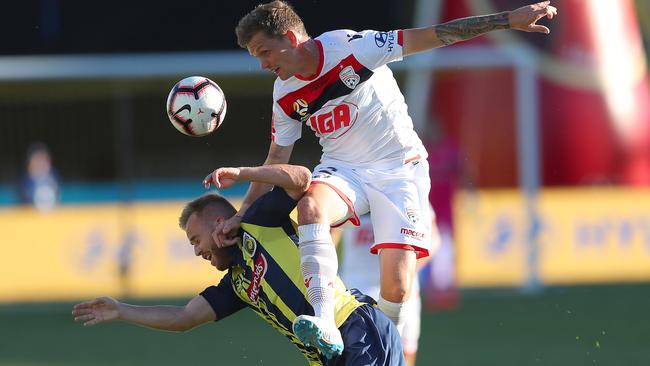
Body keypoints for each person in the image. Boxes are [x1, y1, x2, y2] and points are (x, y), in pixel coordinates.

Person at [206, 0, 558, 358]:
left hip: (398, 168)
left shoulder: (353, 48)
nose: (264, 64)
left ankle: (385, 356)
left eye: (265, 52)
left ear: (291, 38)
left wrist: (507, 20)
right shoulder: (285, 95)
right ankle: (324, 319)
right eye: (257, 57)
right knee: (311, 205)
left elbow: (436, 35)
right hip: (344, 168)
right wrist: (241, 214)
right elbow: (276, 159)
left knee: (398, 287)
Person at [73, 164, 405, 365]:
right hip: (327, 358)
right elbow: (183, 317)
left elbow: (302, 179)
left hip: (355, 328)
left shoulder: (259, 220)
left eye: (195, 240)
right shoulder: (237, 285)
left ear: (218, 221)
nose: (196, 251)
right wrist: (121, 310)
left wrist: (243, 174)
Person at [338, 212, 436, 366]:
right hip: (355, 292)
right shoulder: (353, 190)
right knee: (354, 355)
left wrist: (402, 273)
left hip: (403, 293)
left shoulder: (409, 192)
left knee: (402, 353)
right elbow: (329, 234)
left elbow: (434, 239)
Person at [17, 141, 60, 211]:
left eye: (43, 159)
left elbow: (56, 201)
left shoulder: (53, 176)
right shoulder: (24, 181)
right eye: (37, 159)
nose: (40, 163)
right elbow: (24, 205)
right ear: (30, 163)